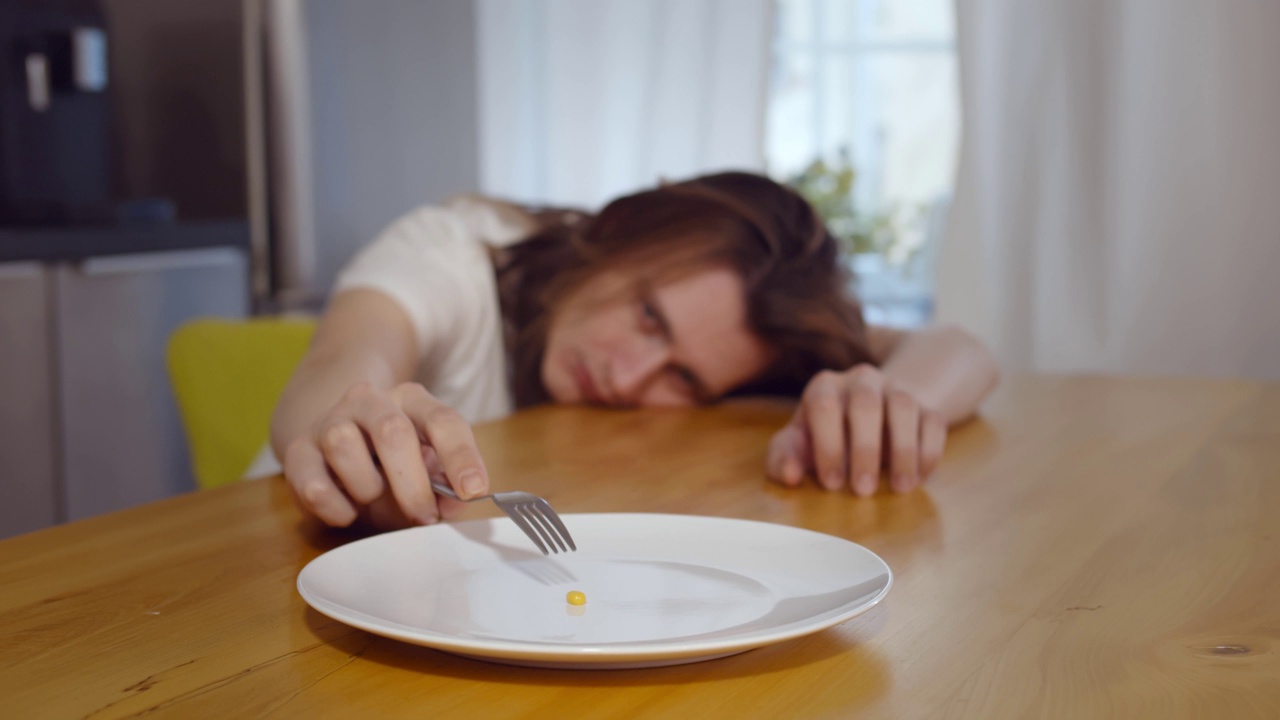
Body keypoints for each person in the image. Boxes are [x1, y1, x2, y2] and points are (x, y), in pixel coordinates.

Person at [269, 171, 1000, 530]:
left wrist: (896, 404)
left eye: (683, 376)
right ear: (622, 233)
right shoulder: (454, 253)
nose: (626, 376)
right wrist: (353, 422)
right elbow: (344, 358)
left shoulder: (747, 346)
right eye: (650, 316)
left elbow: (959, 350)